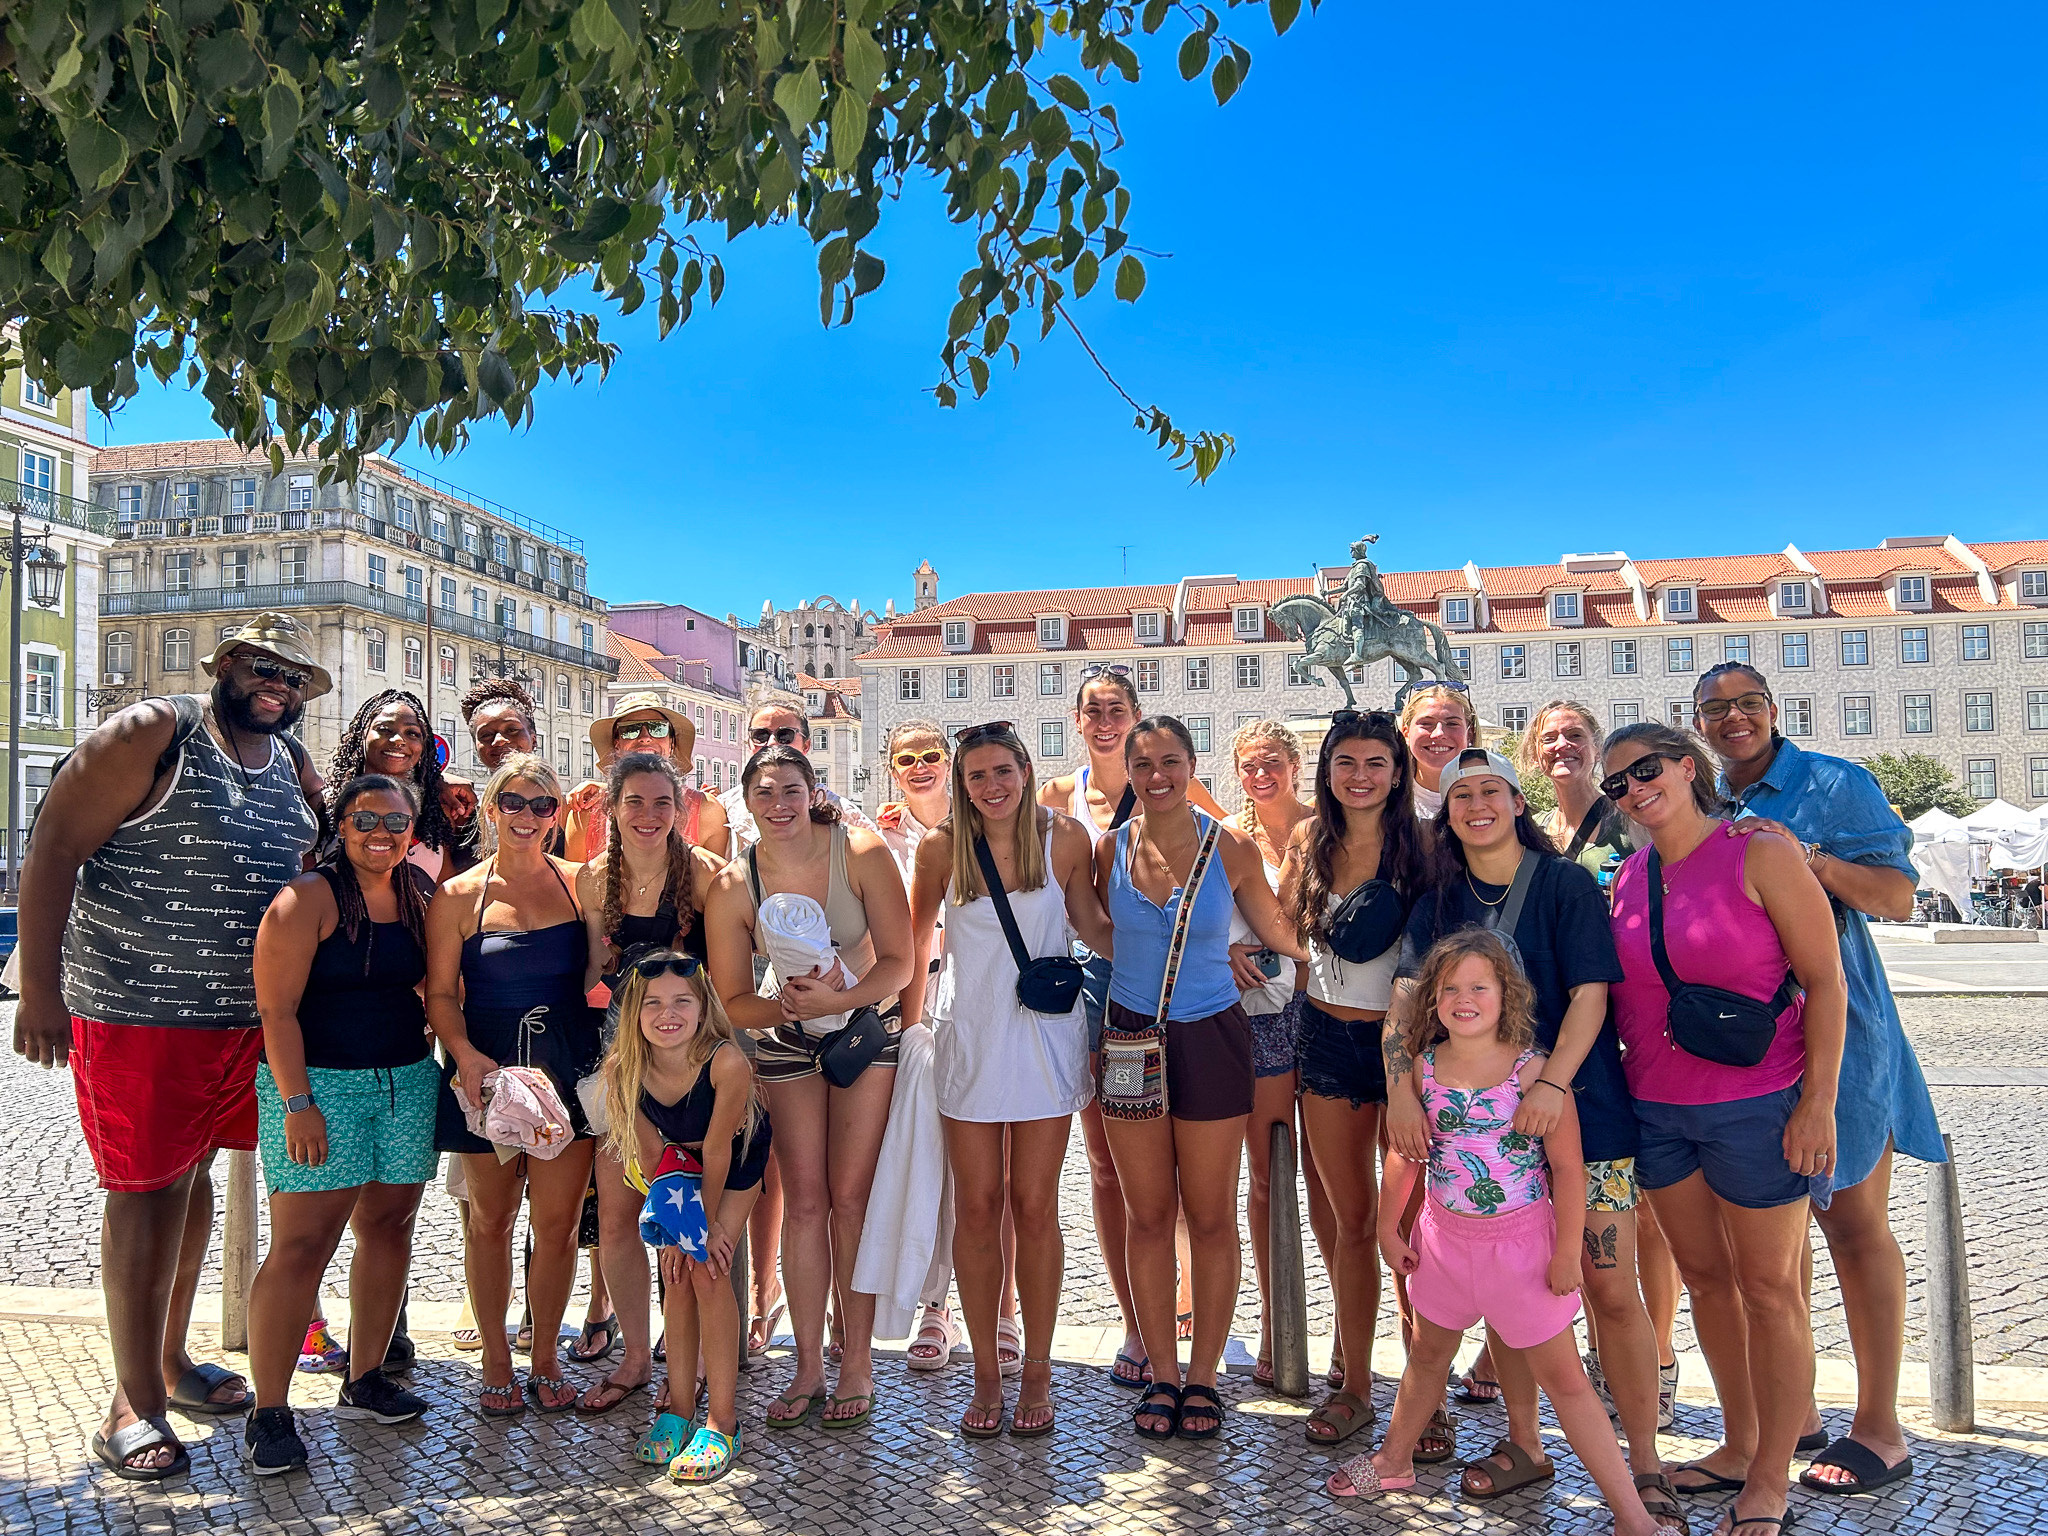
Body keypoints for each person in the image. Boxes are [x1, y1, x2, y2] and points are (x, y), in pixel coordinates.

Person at [13, 612, 326, 1479]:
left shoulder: (290, 766)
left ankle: (170, 1364)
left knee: (188, 1190)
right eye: (263, 667)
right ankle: (132, 1405)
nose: (278, 685)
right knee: (144, 1195)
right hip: (135, 1014)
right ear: (226, 665)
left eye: (293, 677)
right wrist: (38, 989)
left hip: (239, 1024)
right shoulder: (156, 732)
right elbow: (54, 849)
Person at [1327, 931, 1680, 1536]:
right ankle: (1393, 1460)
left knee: (1568, 1384)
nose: (1464, 999)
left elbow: (1568, 1169)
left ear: (1506, 996)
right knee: (1427, 1358)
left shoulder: (1533, 1073)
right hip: (1443, 1244)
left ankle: (1630, 1513)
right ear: (1433, 999)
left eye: (1478, 987)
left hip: (1522, 1254)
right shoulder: (1424, 1069)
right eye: (1450, 988)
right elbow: (1406, 1156)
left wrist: (1570, 1251)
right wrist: (1389, 1227)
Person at [1385, 747, 1666, 1503]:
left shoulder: (1565, 884)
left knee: (1609, 1286)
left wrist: (1550, 1082)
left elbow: (1589, 997)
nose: (1477, 804)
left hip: (1582, 1114)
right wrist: (1400, 1093)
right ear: (1447, 814)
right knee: (1508, 1293)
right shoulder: (1437, 902)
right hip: (1479, 1134)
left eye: (1491, 790)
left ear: (1516, 800)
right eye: (1461, 794)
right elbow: (1408, 1001)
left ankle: (1644, 1465)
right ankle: (1524, 1444)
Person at [1691, 664, 1942, 1497]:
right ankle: (1790, 1415)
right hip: (1750, 1046)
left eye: (1747, 705)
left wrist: (1811, 862)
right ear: (1696, 724)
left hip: (1846, 1029)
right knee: (1771, 1237)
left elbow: (1900, 898)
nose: (1733, 720)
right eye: (1715, 710)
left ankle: (1880, 1427)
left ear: (1774, 709)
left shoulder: (1833, 782)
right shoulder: (1705, 798)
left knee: (1855, 1224)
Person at [1603, 721, 1847, 1536]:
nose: (1634, 790)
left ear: (1685, 767)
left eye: (1645, 770)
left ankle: (1771, 1478)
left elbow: (1825, 982)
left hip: (1758, 1103)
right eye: (1618, 785)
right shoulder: (1629, 877)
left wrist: (1818, 1102)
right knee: (1706, 1282)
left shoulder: (1761, 853)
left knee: (1771, 1290)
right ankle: (1739, 1445)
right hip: (1660, 1110)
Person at [1096, 716, 1305, 1442]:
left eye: (1171, 762)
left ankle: (1206, 1375)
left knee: (1210, 1213)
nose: (1157, 775)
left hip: (1213, 1034)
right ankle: (1160, 1370)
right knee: (1148, 1214)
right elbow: (1097, 929)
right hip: (1129, 1038)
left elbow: (1281, 932)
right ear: (1129, 769)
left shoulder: (1232, 846)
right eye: (1144, 763)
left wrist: (1268, 948)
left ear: (1191, 765)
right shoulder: (1109, 849)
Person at [906, 722, 1113, 1436]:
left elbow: (1093, 924)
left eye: (1003, 770)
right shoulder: (940, 848)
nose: (992, 786)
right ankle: (986, 1377)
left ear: (1026, 768)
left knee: (1035, 1206)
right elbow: (913, 945)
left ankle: (1037, 1371)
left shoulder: (1065, 840)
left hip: (1044, 1040)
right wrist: (907, 1032)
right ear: (963, 785)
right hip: (970, 1036)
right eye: (977, 776)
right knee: (976, 1207)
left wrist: (1190, 948)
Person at [705, 745, 912, 1430]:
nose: (779, 804)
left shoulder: (859, 851)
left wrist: (843, 998)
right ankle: (808, 1369)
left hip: (861, 1034)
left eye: (791, 789)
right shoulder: (736, 884)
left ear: (812, 789)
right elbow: (734, 1001)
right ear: (747, 801)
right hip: (787, 1036)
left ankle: (856, 1360)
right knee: (803, 1201)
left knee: (850, 1199)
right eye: (765, 793)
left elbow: (901, 963)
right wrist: (790, 1009)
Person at [243, 775, 438, 1473]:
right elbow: (277, 1012)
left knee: (389, 1229)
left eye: (395, 820)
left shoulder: (417, 895)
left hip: (407, 1082)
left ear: (412, 828)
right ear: (342, 824)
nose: (381, 833)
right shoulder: (307, 899)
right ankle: (270, 1412)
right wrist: (297, 1102)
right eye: (366, 820)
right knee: (302, 1245)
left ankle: (365, 1377)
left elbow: (432, 986)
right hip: (321, 1086)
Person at [1038, 667, 1226, 1390]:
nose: (1107, 719)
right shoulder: (1056, 796)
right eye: (1095, 710)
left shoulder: (1171, 783)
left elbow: (1226, 855)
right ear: (1077, 720)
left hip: (1169, 982)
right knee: (1109, 1160)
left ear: (1139, 715)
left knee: (1181, 1156)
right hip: (1092, 979)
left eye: (1118, 708)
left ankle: (1175, 1304)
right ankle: (1134, 1319)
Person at [426, 755, 601, 1416]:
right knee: (491, 1222)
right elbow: (440, 994)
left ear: (556, 816)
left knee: (556, 1228)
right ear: (493, 809)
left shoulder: (580, 883)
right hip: (487, 1069)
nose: (527, 816)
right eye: (515, 803)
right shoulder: (459, 896)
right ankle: (497, 1363)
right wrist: (465, 1055)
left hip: (564, 1066)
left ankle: (547, 1357)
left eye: (542, 805)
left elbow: (600, 971)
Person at [1278, 710, 1434, 1452]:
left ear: (1398, 772)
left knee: (1408, 1228)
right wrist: (1251, 947)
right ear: (1329, 769)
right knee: (1348, 1224)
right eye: (1347, 762)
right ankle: (1357, 1387)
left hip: (1410, 1051)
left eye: (1376, 761)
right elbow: (1277, 921)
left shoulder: (1426, 847)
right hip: (1327, 1040)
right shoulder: (1309, 840)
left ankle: (1423, 1389)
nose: (1361, 775)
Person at [572, 751, 727, 1415]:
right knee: (617, 1217)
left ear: (680, 808)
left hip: (689, 1074)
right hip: (619, 1068)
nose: (648, 815)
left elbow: (725, 985)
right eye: (634, 801)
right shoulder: (592, 879)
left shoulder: (707, 878)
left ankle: (688, 1370)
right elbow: (587, 977)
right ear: (612, 808)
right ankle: (637, 1356)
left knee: (688, 1223)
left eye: (662, 802)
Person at [604, 949, 770, 1484]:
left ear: (703, 1008)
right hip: (673, 1166)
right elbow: (652, 1157)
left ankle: (723, 1421)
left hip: (735, 1162)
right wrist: (675, 1235)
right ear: (634, 1012)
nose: (666, 1013)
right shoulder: (624, 1069)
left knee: (710, 1270)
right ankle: (678, 1406)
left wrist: (711, 1229)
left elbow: (721, 1151)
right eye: (652, 1003)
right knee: (674, 1274)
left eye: (682, 1001)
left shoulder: (726, 1062)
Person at [1223, 720, 1337, 1394]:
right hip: (1259, 1015)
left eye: (1272, 762)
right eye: (1248, 764)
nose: (1260, 774)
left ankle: (1348, 1334)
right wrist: (1226, 950)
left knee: (1329, 1178)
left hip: (1324, 1007)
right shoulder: (1230, 838)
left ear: (1295, 765)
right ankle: (1273, 1322)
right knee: (1265, 1173)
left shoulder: (1328, 828)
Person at [565, 692, 730, 862]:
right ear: (617, 745)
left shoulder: (707, 810)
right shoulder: (586, 813)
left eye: (657, 728)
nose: (645, 738)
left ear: (671, 743)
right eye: (631, 730)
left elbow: (717, 884)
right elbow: (573, 885)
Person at [324, 689, 466, 880]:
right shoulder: (324, 804)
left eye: (412, 733)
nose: (399, 740)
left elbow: (447, 891)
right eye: (384, 729)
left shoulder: (438, 811)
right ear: (362, 733)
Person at [719, 702, 878, 850]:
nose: (772, 743)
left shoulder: (842, 810)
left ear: (806, 745)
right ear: (749, 744)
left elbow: (877, 850)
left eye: (785, 735)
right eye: (761, 735)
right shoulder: (724, 806)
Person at [1518, 700, 1634, 877]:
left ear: (1597, 749)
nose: (1562, 744)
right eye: (1549, 739)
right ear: (1535, 755)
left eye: (1575, 735)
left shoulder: (1630, 822)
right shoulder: (1531, 830)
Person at [1396, 683, 1479, 819]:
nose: (1439, 733)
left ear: (1469, 734)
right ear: (1406, 733)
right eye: (1426, 723)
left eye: (1452, 724)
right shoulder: (1386, 798)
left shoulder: (1491, 797)